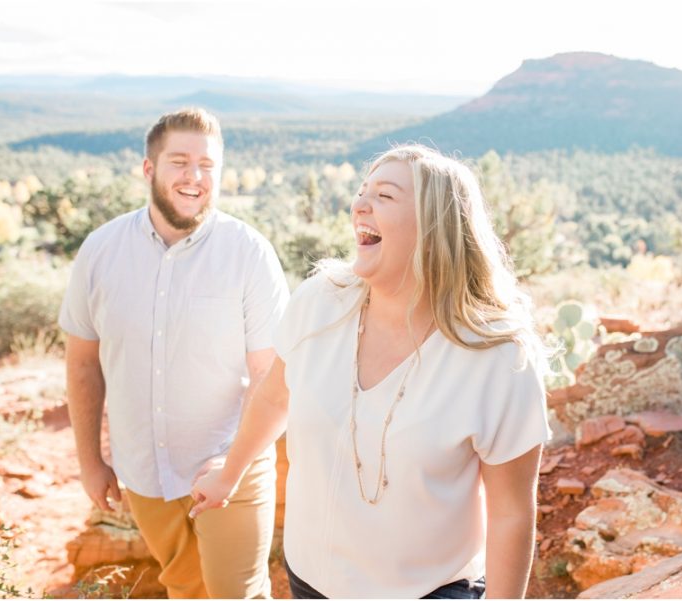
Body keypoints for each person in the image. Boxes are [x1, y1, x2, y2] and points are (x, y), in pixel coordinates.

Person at [190, 144, 550, 598]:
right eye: (362, 193)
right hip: (311, 583)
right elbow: (274, 396)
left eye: (385, 195)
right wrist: (229, 473)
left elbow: (512, 513)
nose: (359, 204)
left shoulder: (498, 357)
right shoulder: (321, 301)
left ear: (435, 226)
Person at [59, 108, 288, 599]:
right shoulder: (100, 251)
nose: (194, 177)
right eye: (180, 162)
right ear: (149, 170)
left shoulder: (249, 254)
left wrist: (231, 465)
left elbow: (271, 374)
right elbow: (82, 364)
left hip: (233, 462)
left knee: (238, 594)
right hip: (144, 470)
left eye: (207, 165)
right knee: (184, 587)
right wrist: (91, 461)